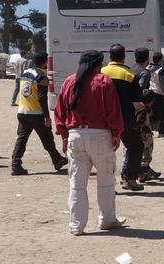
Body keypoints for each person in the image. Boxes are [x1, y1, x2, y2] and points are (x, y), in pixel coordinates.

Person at [54, 50, 126, 235]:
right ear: (97, 64)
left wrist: (63, 135)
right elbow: (113, 110)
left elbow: (59, 110)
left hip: (75, 136)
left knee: (77, 184)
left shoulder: (69, 81)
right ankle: (107, 219)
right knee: (106, 181)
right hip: (100, 136)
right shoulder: (104, 81)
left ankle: (76, 225)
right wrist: (116, 133)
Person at [11, 52, 68, 175]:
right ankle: (57, 159)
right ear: (44, 62)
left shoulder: (25, 73)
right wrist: (47, 116)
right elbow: (42, 98)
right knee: (47, 137)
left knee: (22, 139)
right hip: (36, 113)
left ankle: (16, 164)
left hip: (22, 112)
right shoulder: (41, 76)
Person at [101, 44, 146, 191]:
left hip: (103, 118)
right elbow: (138, 97)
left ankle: (108, 184)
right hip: (124, 118)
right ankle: (129, 178)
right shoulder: (129, 74)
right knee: (135, 146)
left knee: (106, 151)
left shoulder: (101, 72)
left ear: (110, 56)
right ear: (124, 56)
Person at [132, 47, 160, 182]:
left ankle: (141, 168)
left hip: (131, 109)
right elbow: (141, 90)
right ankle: (144, 168)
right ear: (147, 59)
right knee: (147, 139)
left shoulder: (131, 69)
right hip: (141, 109)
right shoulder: (144, 72)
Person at [147, 52, 164, 138]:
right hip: (159, 93)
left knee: (150, 112)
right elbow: (162, 83)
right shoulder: (160, 70)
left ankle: (149, 131)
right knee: (162, 113)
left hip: (149, 92)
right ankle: (161, 132)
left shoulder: (147, 68)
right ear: (160, 59)